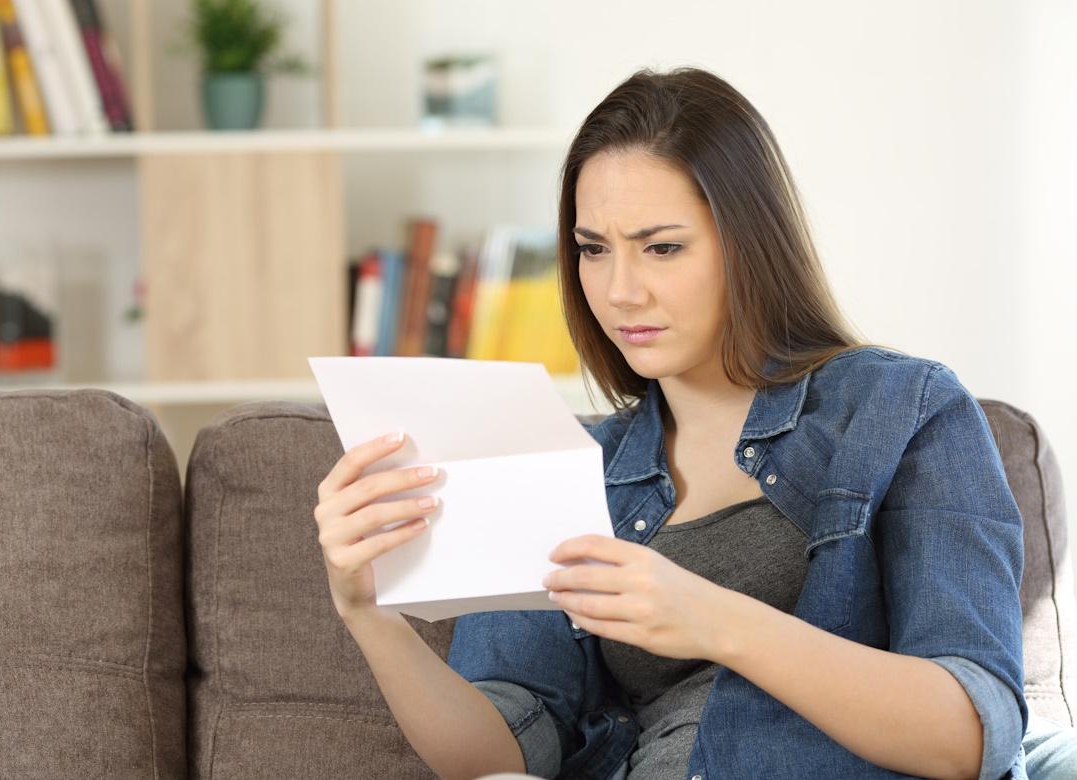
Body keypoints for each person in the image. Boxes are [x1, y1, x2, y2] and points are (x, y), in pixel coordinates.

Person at [313, 67, 1075, 778]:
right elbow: (500, 751)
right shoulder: (567, 463)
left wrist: (713, 619)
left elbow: (972, 732)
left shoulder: (902, 412)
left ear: (749, 243)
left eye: (662, 248)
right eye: (593, 250)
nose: (620, 292)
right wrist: (367, 613)